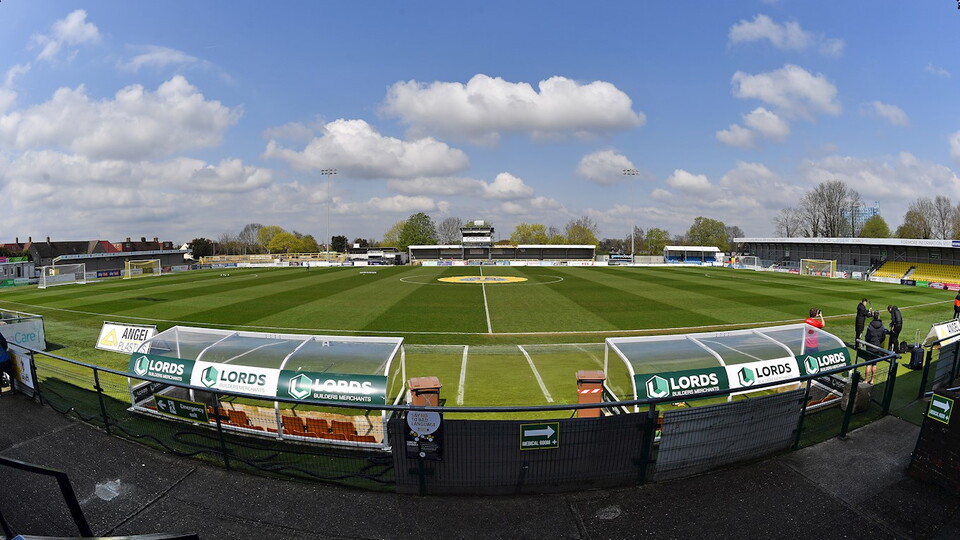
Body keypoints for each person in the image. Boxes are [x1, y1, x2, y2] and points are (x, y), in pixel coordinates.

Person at [864, 311, 889, 384]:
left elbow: (867, 337)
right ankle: (872, 380)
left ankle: (866, 380)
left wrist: (868, 342)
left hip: (870, 347)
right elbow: (883, 337)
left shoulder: (870, 326)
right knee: (874, 364)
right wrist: (878, 342)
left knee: (868, 364)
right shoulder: (882, 326)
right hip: (877, 347)